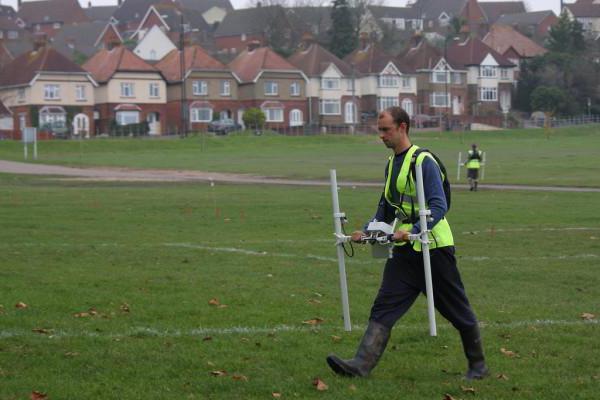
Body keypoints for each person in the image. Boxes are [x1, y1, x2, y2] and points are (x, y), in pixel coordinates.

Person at [326, 107, 488, 380]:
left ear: (403, 127)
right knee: (384, 305)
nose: (381, 136)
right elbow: (386, 211)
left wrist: (412, 229)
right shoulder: (392, 165)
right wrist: (366, 232)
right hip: (405, 251)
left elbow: (439, 205)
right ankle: (361, 364)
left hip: (433, 247)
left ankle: (478, 366)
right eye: (379, 130)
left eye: (386, 130)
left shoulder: (423, 161)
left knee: (456, 309)